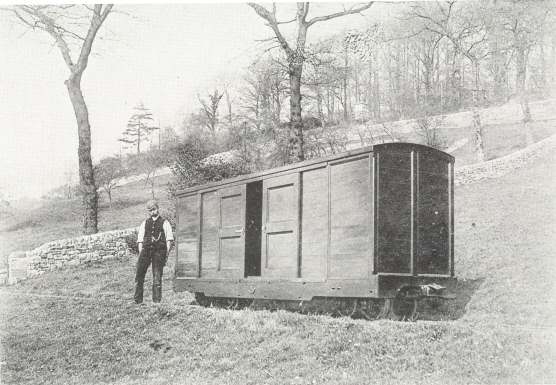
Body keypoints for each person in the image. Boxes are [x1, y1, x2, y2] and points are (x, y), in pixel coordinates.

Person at [135, 199, 174, 304]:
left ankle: (156, 302)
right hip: (145, 252)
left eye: (154, 209)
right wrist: (141, 253)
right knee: (139, 276)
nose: (152, 212)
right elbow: (140, 240)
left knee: (157, 277)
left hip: (159, 252)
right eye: (150, 210)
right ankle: (138, 301)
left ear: (158, 208)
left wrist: (166, 254)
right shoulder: (145, 223)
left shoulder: (165, 223)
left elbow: (169, 240)